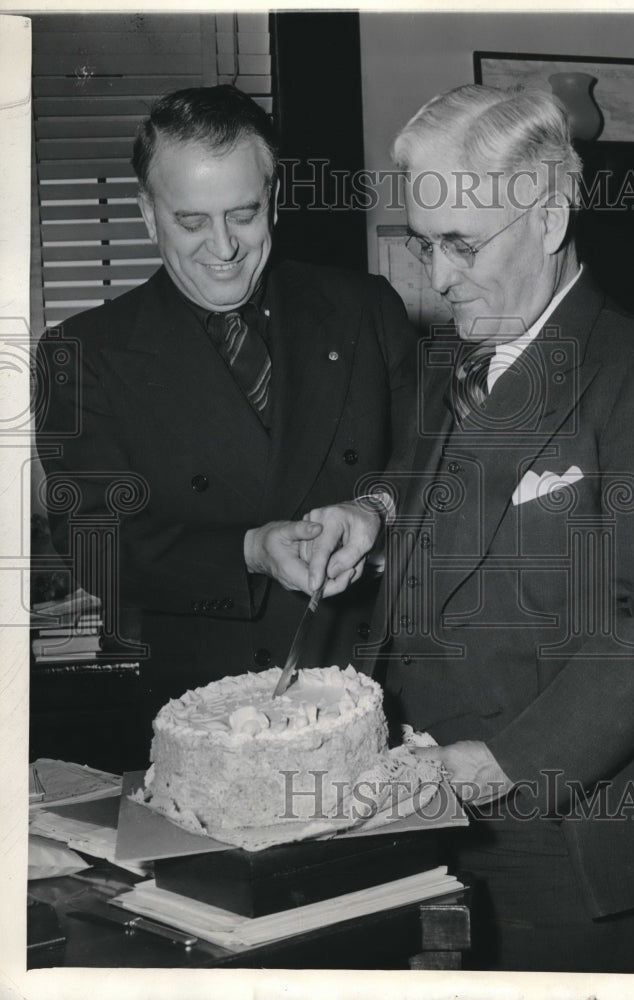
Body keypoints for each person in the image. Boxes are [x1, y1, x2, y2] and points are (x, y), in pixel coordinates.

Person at [294, 86, 634, 972]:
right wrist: (370, 513)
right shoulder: (461, 360)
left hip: (564, 836)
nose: (437, 274)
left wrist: (497, 763)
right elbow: (432, 484)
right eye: (425, 243)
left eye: (461, 243)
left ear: (549, 214)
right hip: (434, 808)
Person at [35, 85, 417, 764]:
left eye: (243, 214)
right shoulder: (84, 353)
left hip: (381, 686)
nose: (223, 248)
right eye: (190, 221)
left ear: (272, 200)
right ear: (147, 215)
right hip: (209, 709)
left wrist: (375, 509)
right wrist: (250, 549)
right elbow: (93, 542)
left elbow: (430, 464)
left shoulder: (364, 309)